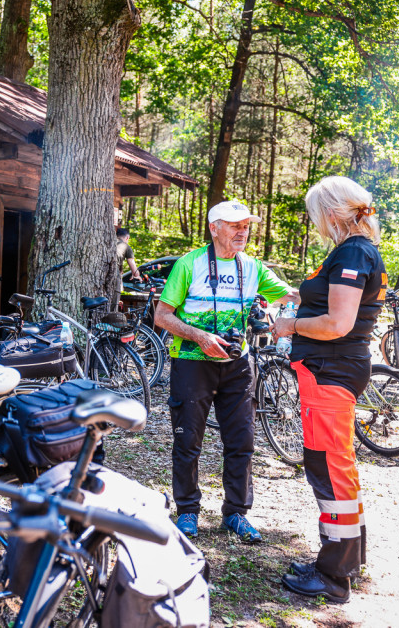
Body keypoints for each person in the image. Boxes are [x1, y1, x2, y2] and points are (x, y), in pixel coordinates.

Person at [154, 201, 298, 543]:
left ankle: (235, 513)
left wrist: (330, 291)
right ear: (214, 227)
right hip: (192, 362)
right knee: (187, 441)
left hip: (236, 365)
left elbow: (291, 294)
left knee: (242, 441)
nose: (242, 231)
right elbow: (162, 316)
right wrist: (201, 336)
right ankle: (188, 510)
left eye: (246, 225)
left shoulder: (253, 267)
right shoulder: (189, 264)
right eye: (235, 225)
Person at [271, 177, 386, 604]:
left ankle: (334, 577)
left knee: (329, 469)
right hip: (332, 370)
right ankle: (345, 561)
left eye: (317, 214)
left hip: (330, 370)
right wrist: (298, 295)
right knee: (337, 465)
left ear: (333, 212)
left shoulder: (354, 250)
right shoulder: (354, 250)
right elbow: (336, 302)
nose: (316, 223)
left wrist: (289, 325)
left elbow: (338, 323)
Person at [116, 227, 143, 305]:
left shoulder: (108, 243)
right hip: (114, 276)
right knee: (115, 303)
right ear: (127, 237)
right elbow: (135, 271)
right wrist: (136, 273)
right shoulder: (125, 246)